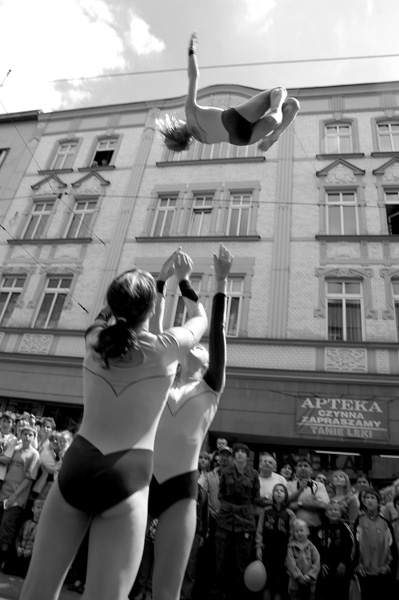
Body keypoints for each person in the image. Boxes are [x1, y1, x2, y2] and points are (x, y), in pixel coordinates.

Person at [20, 252, 208, 600]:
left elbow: (110, 318)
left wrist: (155, 286)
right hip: (128, 475)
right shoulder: (164, 349)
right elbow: (200, 317)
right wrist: (181, 280)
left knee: (36, 592)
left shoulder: (95, 340)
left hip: (77, 465)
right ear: (151, 311)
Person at [148, 244, 233, 600]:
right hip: (143, 478)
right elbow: (153, 327)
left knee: (167, 589)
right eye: (193, 345)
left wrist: (221, 281)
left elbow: (214, 329)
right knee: (113, 574)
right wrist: (165, 280)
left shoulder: (212, 385)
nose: (197, 346)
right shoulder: (162, 376)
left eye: (203, 347)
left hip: (183, 489)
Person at [157, 33, 300, 154]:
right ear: (176, 128)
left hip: (242, 139)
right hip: (233, 119)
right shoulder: (189, 111)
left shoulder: (202, 140)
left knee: (292, 104)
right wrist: (191, 50)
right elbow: (193, 76)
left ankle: (275, 127)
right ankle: (276, 117)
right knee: (279, 91)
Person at [215, 442, 260, 600]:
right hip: (226, 519)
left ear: (248, 456)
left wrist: (244, 509)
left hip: (245, 521)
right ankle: (221, 592)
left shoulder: (253, 474)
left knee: (241, 560)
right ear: (234, 456)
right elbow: (221, 494)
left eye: (243, 452)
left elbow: (256, 497)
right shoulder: (226, 472)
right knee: (221, 559)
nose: (240, 454)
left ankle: (237, 594)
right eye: (237, 452)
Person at [0, 425, 40, 565]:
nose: (27, 437)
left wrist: (14, 496)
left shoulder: (34, 454)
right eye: (25, 434)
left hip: (16, 498)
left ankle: (4, 559)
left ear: (34, 438)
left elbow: (29, 479)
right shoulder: (14, 450)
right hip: (3, 492)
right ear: (21, 435)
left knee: (6, 527)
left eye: (31, 435)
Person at [255, 483, 295, 600]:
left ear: (286, 495)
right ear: (273, 494)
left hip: (283, 552)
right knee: (266, 582)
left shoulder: (290, 514)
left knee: (279, 584)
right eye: (276, 490)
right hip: (267, 550)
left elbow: (292, 535)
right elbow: (259, 531)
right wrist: (258, 546)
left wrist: (290, 552)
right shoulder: (265, 511)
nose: (278, 492)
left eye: (281, 491)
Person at [353, 488, 395, 600]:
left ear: (379, 502)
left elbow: (392, 547)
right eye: (367, 498)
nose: (369, 501)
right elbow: (355, 545)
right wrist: (358, 564)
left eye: (373, 498)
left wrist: (388, 566)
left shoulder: (385, 523)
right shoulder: (359, 521)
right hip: (364, 571)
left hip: (382, 571)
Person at [315, 501, 354, 600]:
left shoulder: (346, 528)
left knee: (340, 594)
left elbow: (349, 546)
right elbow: (316, 548)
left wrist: (344, 562)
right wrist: (321, 562)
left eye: (336, 510)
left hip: (341, 568)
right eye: (330, 510)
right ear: (326, 513)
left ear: (340, 513)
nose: (333, 512)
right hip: (325, 568)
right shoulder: (320, 529)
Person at [288, 456, 329, 543]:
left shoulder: (319, 485)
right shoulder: (289, 485)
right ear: (295, 469)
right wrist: (300, 491)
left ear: (311, 470)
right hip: (293, 529)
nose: (303, 468)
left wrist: (299, 504)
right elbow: (286, 503)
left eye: (306, 466)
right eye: (300, 466)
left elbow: (323, 505)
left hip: (314, 529)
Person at [3, 499, 44, 578]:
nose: (40, 510)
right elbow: (18, 537)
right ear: (33, 509)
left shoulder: (44, 526)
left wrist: (31, 551)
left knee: (25, 574)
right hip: (21, 551)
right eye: (38, 507)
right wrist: (18, 547)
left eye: (42, 508)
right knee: (7, 569)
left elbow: (42, 544)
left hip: (31, 554)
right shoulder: (27, 522)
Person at [286, 519, 320, 600]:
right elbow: (290, 564)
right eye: (296, 531)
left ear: (307, 531)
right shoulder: (291, 547)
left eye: (301, 530)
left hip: (310, 582)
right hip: (295, 583)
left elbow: (317, 562)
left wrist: (309, 575)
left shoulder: (312, 547)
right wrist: (298, 576)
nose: (299, 533)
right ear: (293, 533)